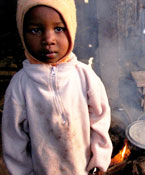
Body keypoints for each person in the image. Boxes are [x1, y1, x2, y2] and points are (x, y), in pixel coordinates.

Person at [1, 0, 113, 174]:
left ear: (72, 29)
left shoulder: (85, 76)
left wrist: (100, 157)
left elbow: (100, 118)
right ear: (22, 34)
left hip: (83, 169)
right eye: (35, 30)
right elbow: (13, 138)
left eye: (59, 29)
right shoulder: (20, 86)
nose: (48, 39)